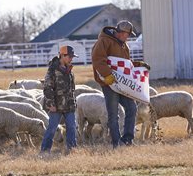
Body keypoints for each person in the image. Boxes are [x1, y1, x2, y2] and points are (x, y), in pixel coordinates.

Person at [91, 20, 150, 148]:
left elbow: (125, 65)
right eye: (127, 34)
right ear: (120, 32)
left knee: (132, 108)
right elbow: (98, 60)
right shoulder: (103, 41)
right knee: (113, 114)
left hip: (123, 84)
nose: (127, 37)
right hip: (109, 84)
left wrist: (138, 65)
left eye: (128, 35)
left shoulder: (124, 45)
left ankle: (127, 140)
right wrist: (107, 75)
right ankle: (116, 143)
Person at [40, 45, 78, 154]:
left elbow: (72, 88)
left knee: (71, 127)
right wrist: (51, 104)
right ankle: (45, 150)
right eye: (69, 57)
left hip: (69, 105)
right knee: (52, 128)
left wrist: (73, 101)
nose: (71, 59)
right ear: (62, 55)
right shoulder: (52, 70)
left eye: (72, 57)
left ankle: (72, 149)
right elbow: (47, 88)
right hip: (56, 105)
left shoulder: (69, 70)